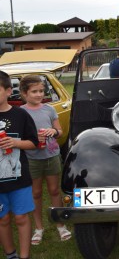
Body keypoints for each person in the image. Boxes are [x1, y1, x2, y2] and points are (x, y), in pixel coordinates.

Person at [19, 75, 72, 245]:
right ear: (24, 93)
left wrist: (53, 132)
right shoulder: (21, 112)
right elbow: (19, 136)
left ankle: (60, 225)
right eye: (34, 91)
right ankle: (38, 228)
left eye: (41, 91)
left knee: (55, 190)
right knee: (36, 193)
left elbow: (60, 131)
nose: (39, 94)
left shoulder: (49, 109)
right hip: (31, 158)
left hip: (51, 155)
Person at [0, 70, 38, 259]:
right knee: (3, 219)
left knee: (21, 217)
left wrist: (15, 143)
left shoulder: (20, 115)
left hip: (19, 179)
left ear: (8, 91)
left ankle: (24, 256)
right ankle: (10, 254)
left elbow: (33, 142)